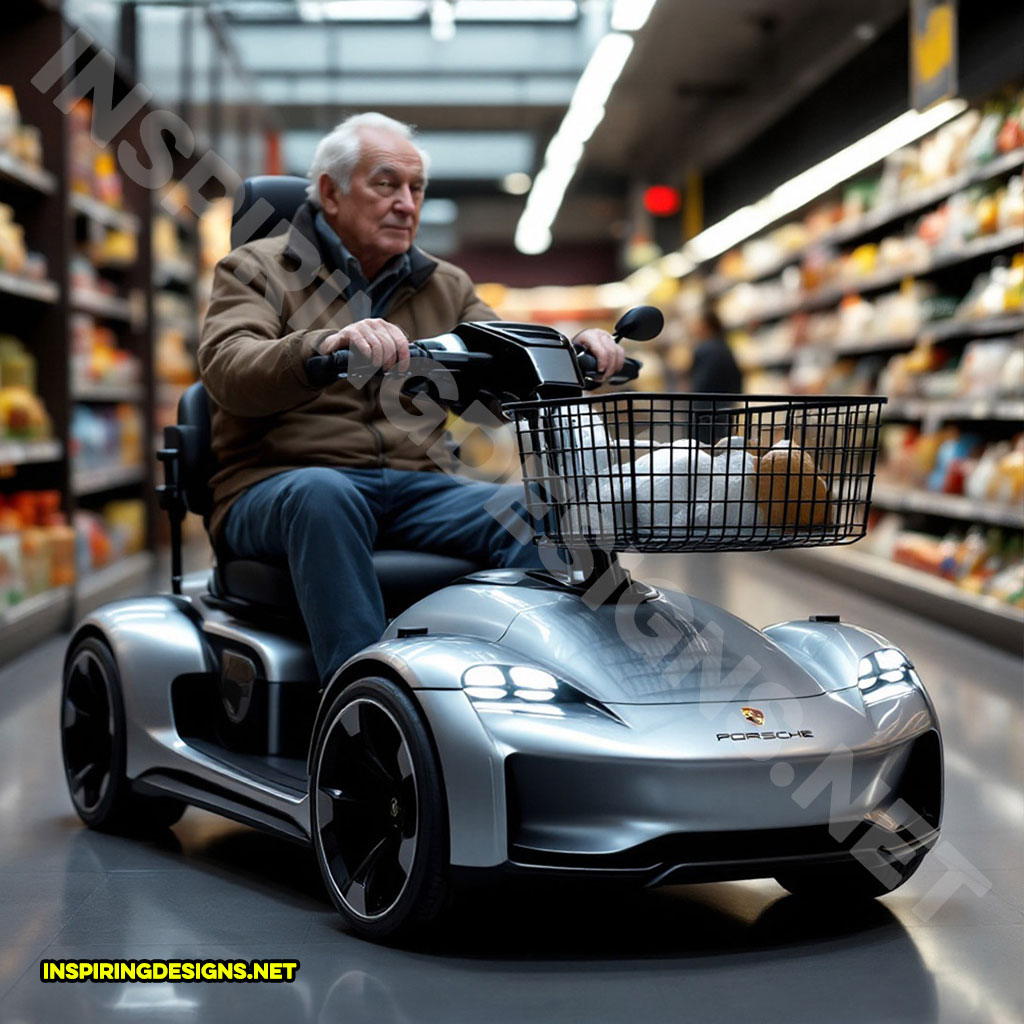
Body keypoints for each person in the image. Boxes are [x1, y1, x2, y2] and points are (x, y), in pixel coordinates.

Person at [198, 112, 624, 683]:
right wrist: (324, 345)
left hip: (412, 488)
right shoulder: (255, 269)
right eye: (386, 184)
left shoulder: (446, 285)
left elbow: (500, 376)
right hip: (279, 484)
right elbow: (229, 370)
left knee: (537, 510)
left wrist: (570, 355)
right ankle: (362, 707)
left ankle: (541, 686)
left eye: (416, 188)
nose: (406, 203)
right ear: (330, 192)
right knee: (324, 494)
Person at [688, 304, 742, 444]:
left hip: (704, 410)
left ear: (706, 325)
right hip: (724, 408)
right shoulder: (725, 347)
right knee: (721, 448)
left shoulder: (703, 349)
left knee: (703, 450)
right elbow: (737, 378)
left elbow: (700, 383)